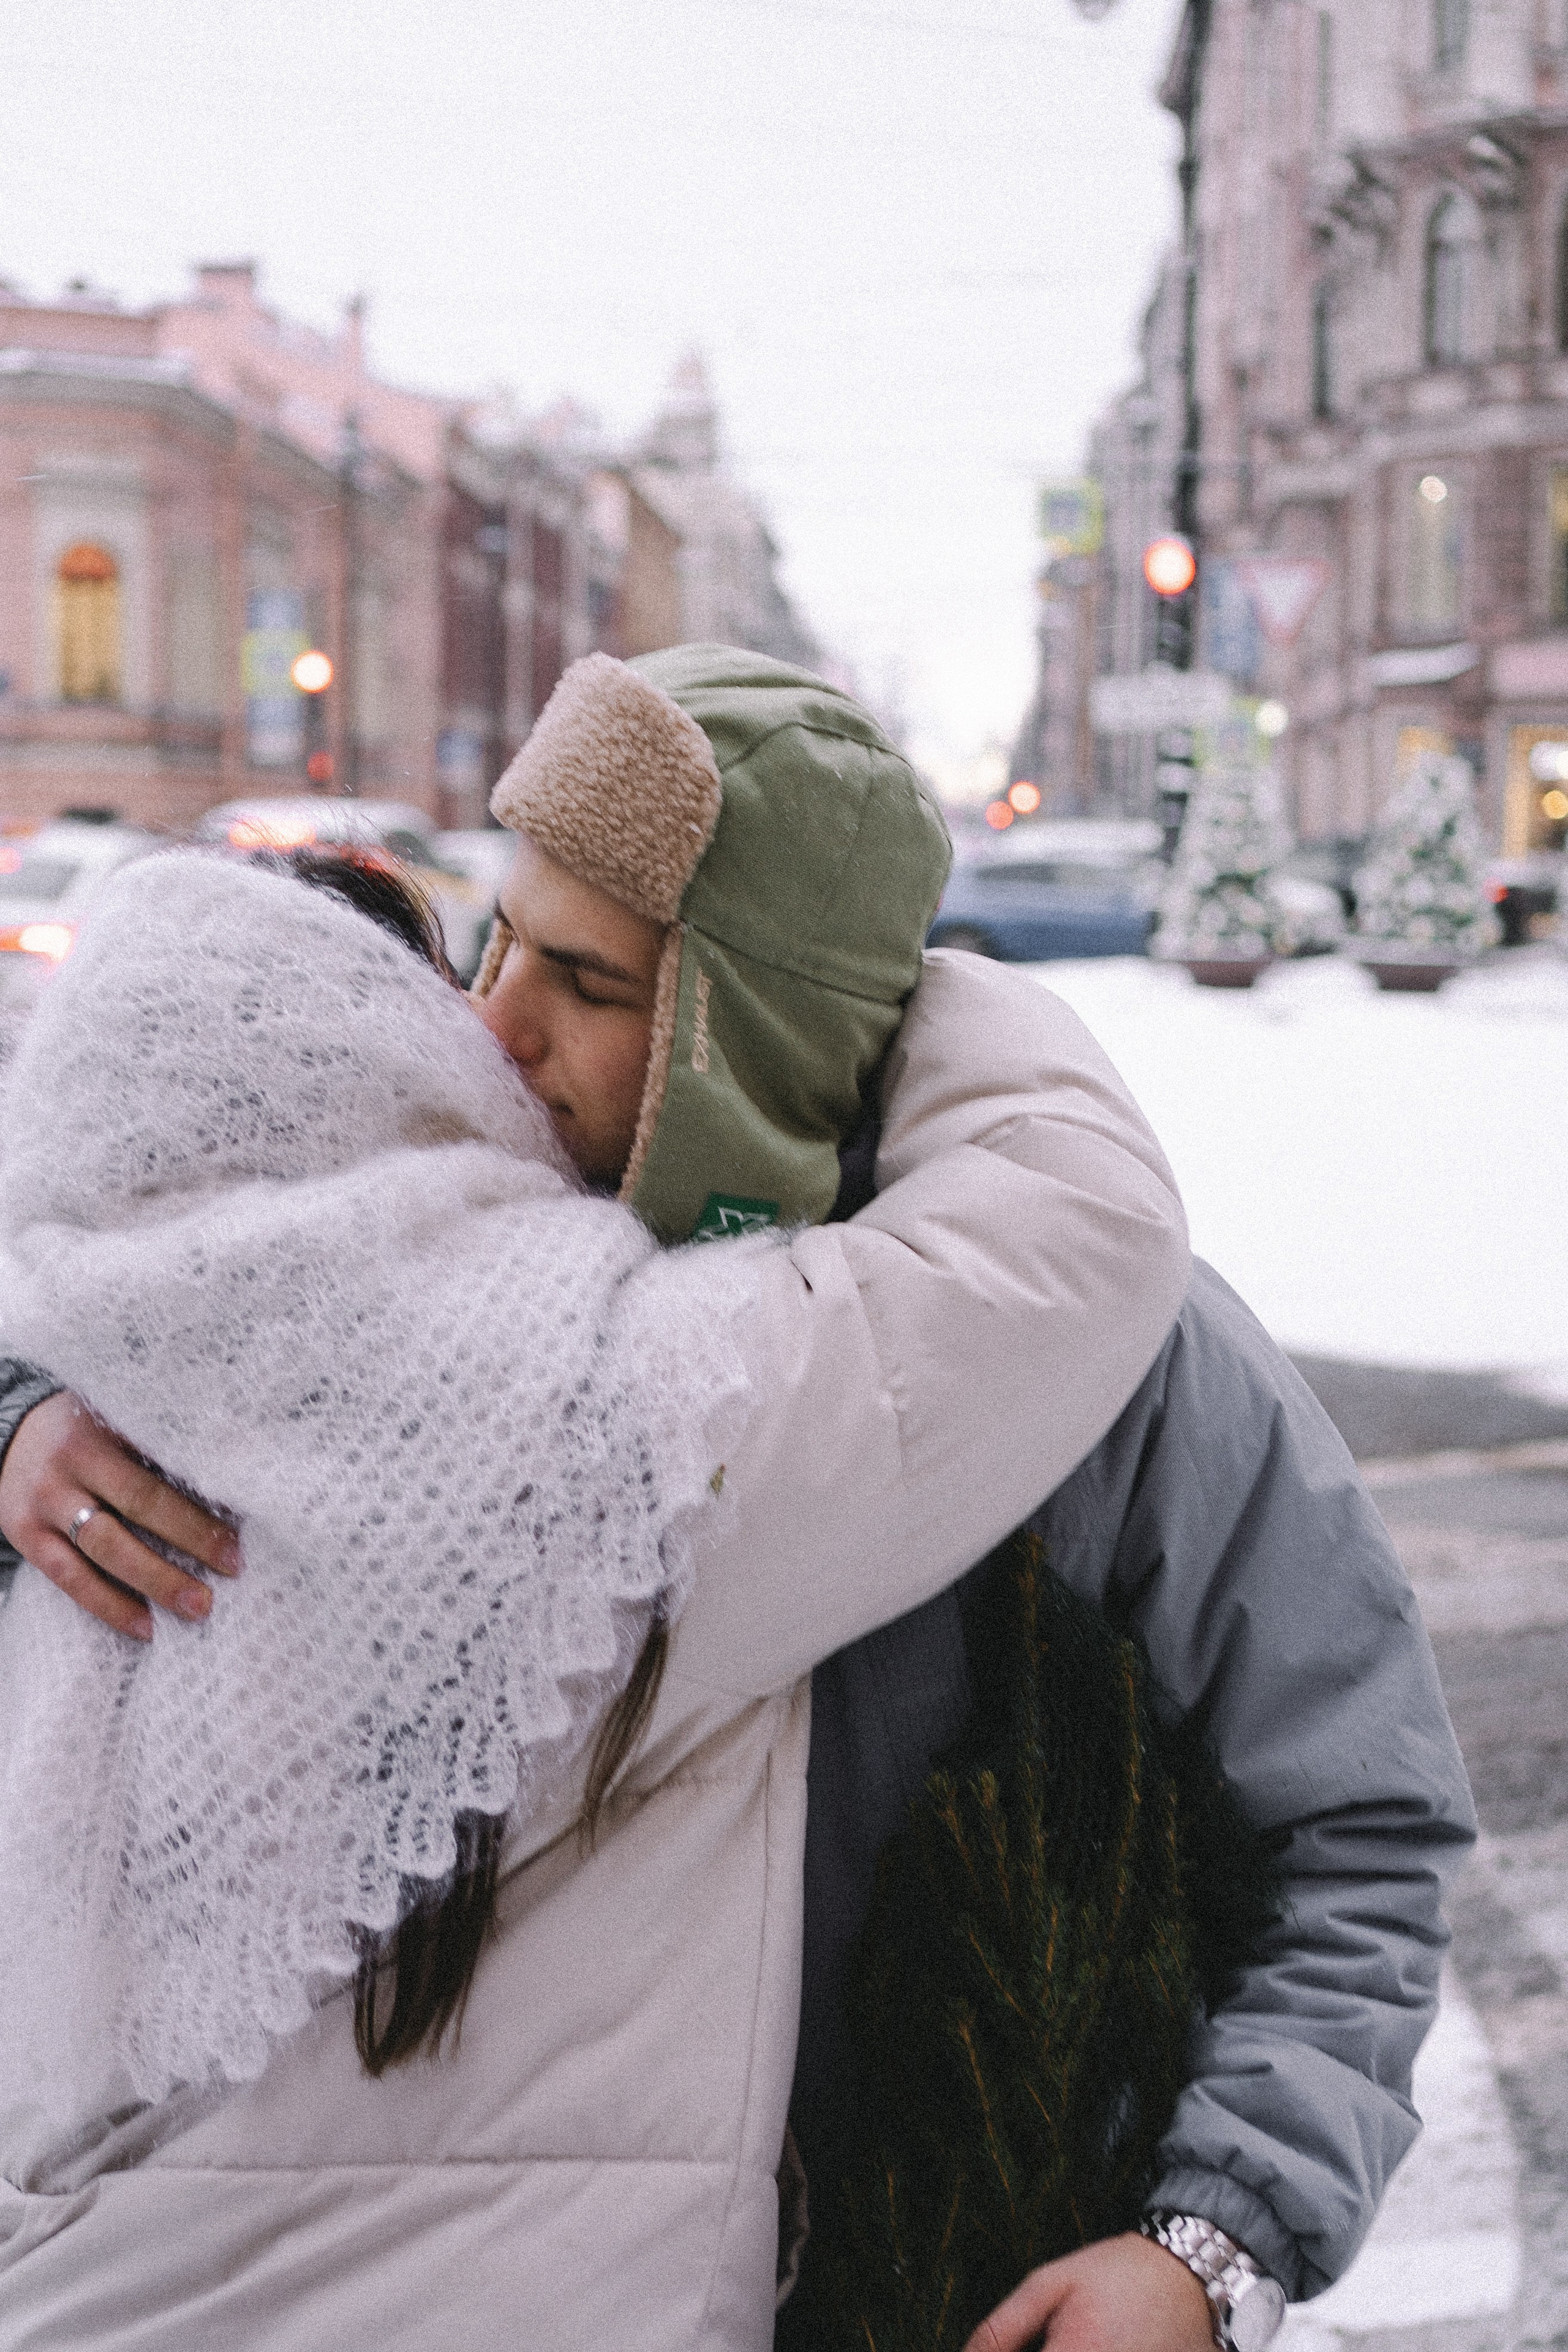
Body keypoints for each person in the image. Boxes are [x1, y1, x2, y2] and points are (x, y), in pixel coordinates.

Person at [0, 655, 1190, 2352]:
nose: (489, 1025)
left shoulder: (87, 1409)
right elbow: (1085, 1219)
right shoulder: (629, 1404)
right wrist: (859, 969)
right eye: (481, 953)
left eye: (577, 968)